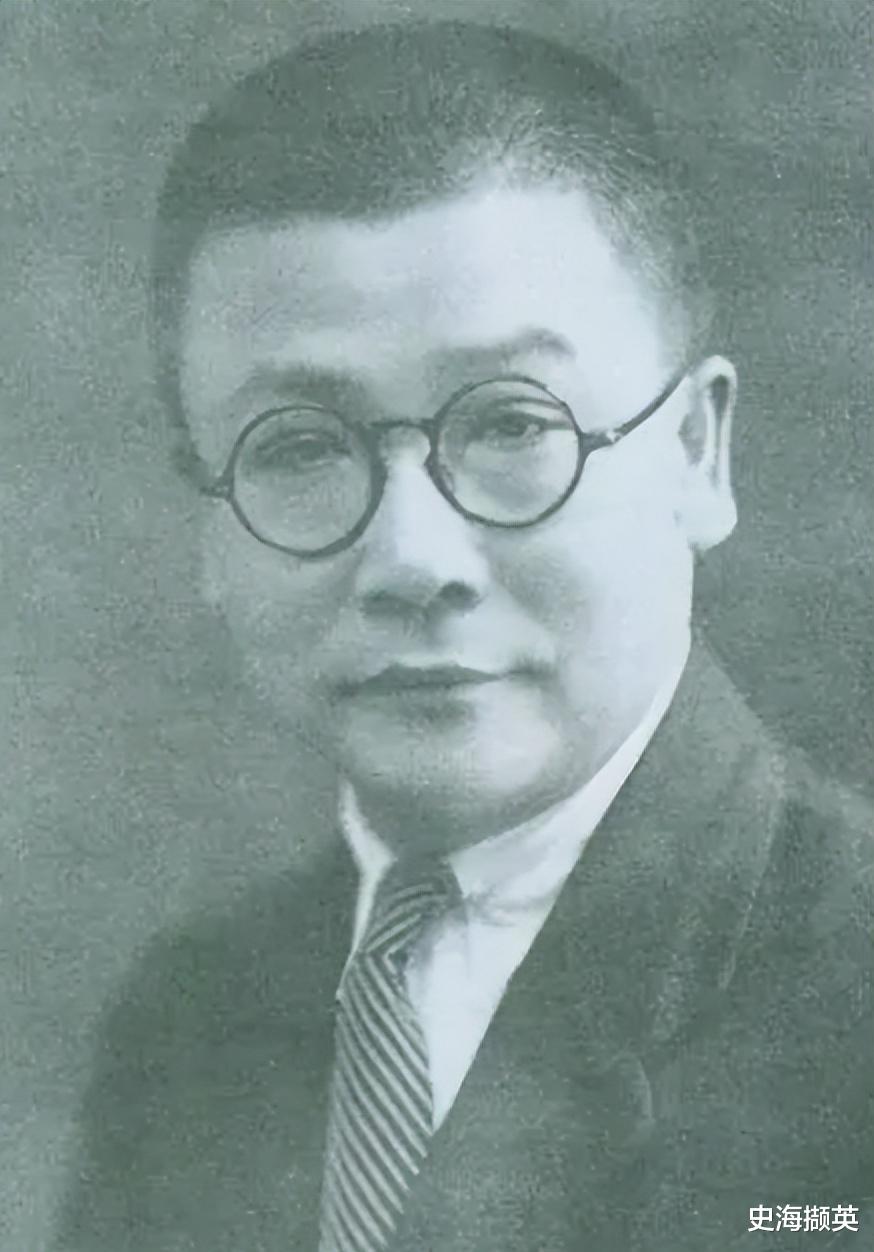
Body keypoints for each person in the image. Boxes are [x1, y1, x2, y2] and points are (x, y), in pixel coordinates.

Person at [55, 20, 872, 1252]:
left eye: (510, 425)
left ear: (696, 453)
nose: (413, 560)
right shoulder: (185, 1029)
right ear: (206, 531)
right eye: (299, 446)